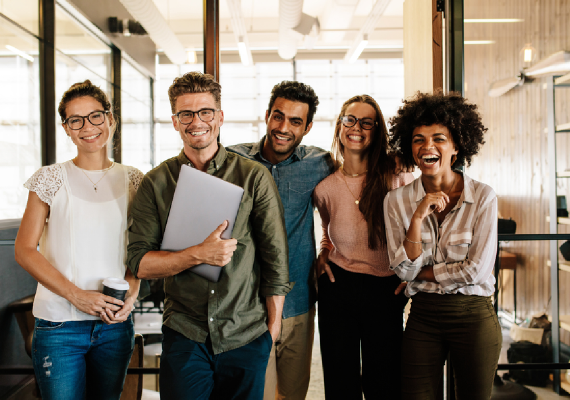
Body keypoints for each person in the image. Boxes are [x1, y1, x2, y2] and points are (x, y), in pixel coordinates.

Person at [126, 71, 291, 400]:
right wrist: (198, 254)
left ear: (220, 117)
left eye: (205, 112)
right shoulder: (156, 183)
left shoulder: (254, 177)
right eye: (186, 113)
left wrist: (272, 330)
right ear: (175, 121)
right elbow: (139, 263)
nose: (196, 121)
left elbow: (275, 259)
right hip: (185, 333)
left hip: (245, 331)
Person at [14, 80, 142, 400]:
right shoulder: (50, 178)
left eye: (96, 116)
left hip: (114, 326)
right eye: (76, 120)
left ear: (110, 120)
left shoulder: (134, 179)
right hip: (59, 327)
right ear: (67, 129)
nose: (88, 127)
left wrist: (132, 293)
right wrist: (77, 296)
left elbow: (143, 248)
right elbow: (25, 250)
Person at [384, 91, 501, 399]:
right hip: (423, 316)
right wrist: (418, 216)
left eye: (438, 138)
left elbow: (475, 271)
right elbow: (401, 269)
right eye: (418, 140)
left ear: (456, 146)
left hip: (473, 315)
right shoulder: (396, 201)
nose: (427, 147)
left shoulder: (483, 197)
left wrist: (421, 273)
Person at [228, 80, 334, 400]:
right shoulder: (233, 161)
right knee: (254, 392)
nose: (283, 127)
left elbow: (347, 201)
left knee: (291, 393)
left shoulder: (321, 164)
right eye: (278, 116)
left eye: (295, 121)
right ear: (267, 115)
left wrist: (327, 247)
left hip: (299, 300)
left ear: (308, 126)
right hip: (248, 304)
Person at [313, 94, 413, 400]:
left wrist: (413, 273)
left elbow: (416, 227)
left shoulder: (396, 173)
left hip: (386, 289)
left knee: (384, 381)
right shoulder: (325, 186)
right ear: (340, 126)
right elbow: (327, 232)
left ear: (377, 129)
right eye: (350, 119)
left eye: (367, 122)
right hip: (338, 287)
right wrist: (322, 254)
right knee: (340, 380)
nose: (357, 127)